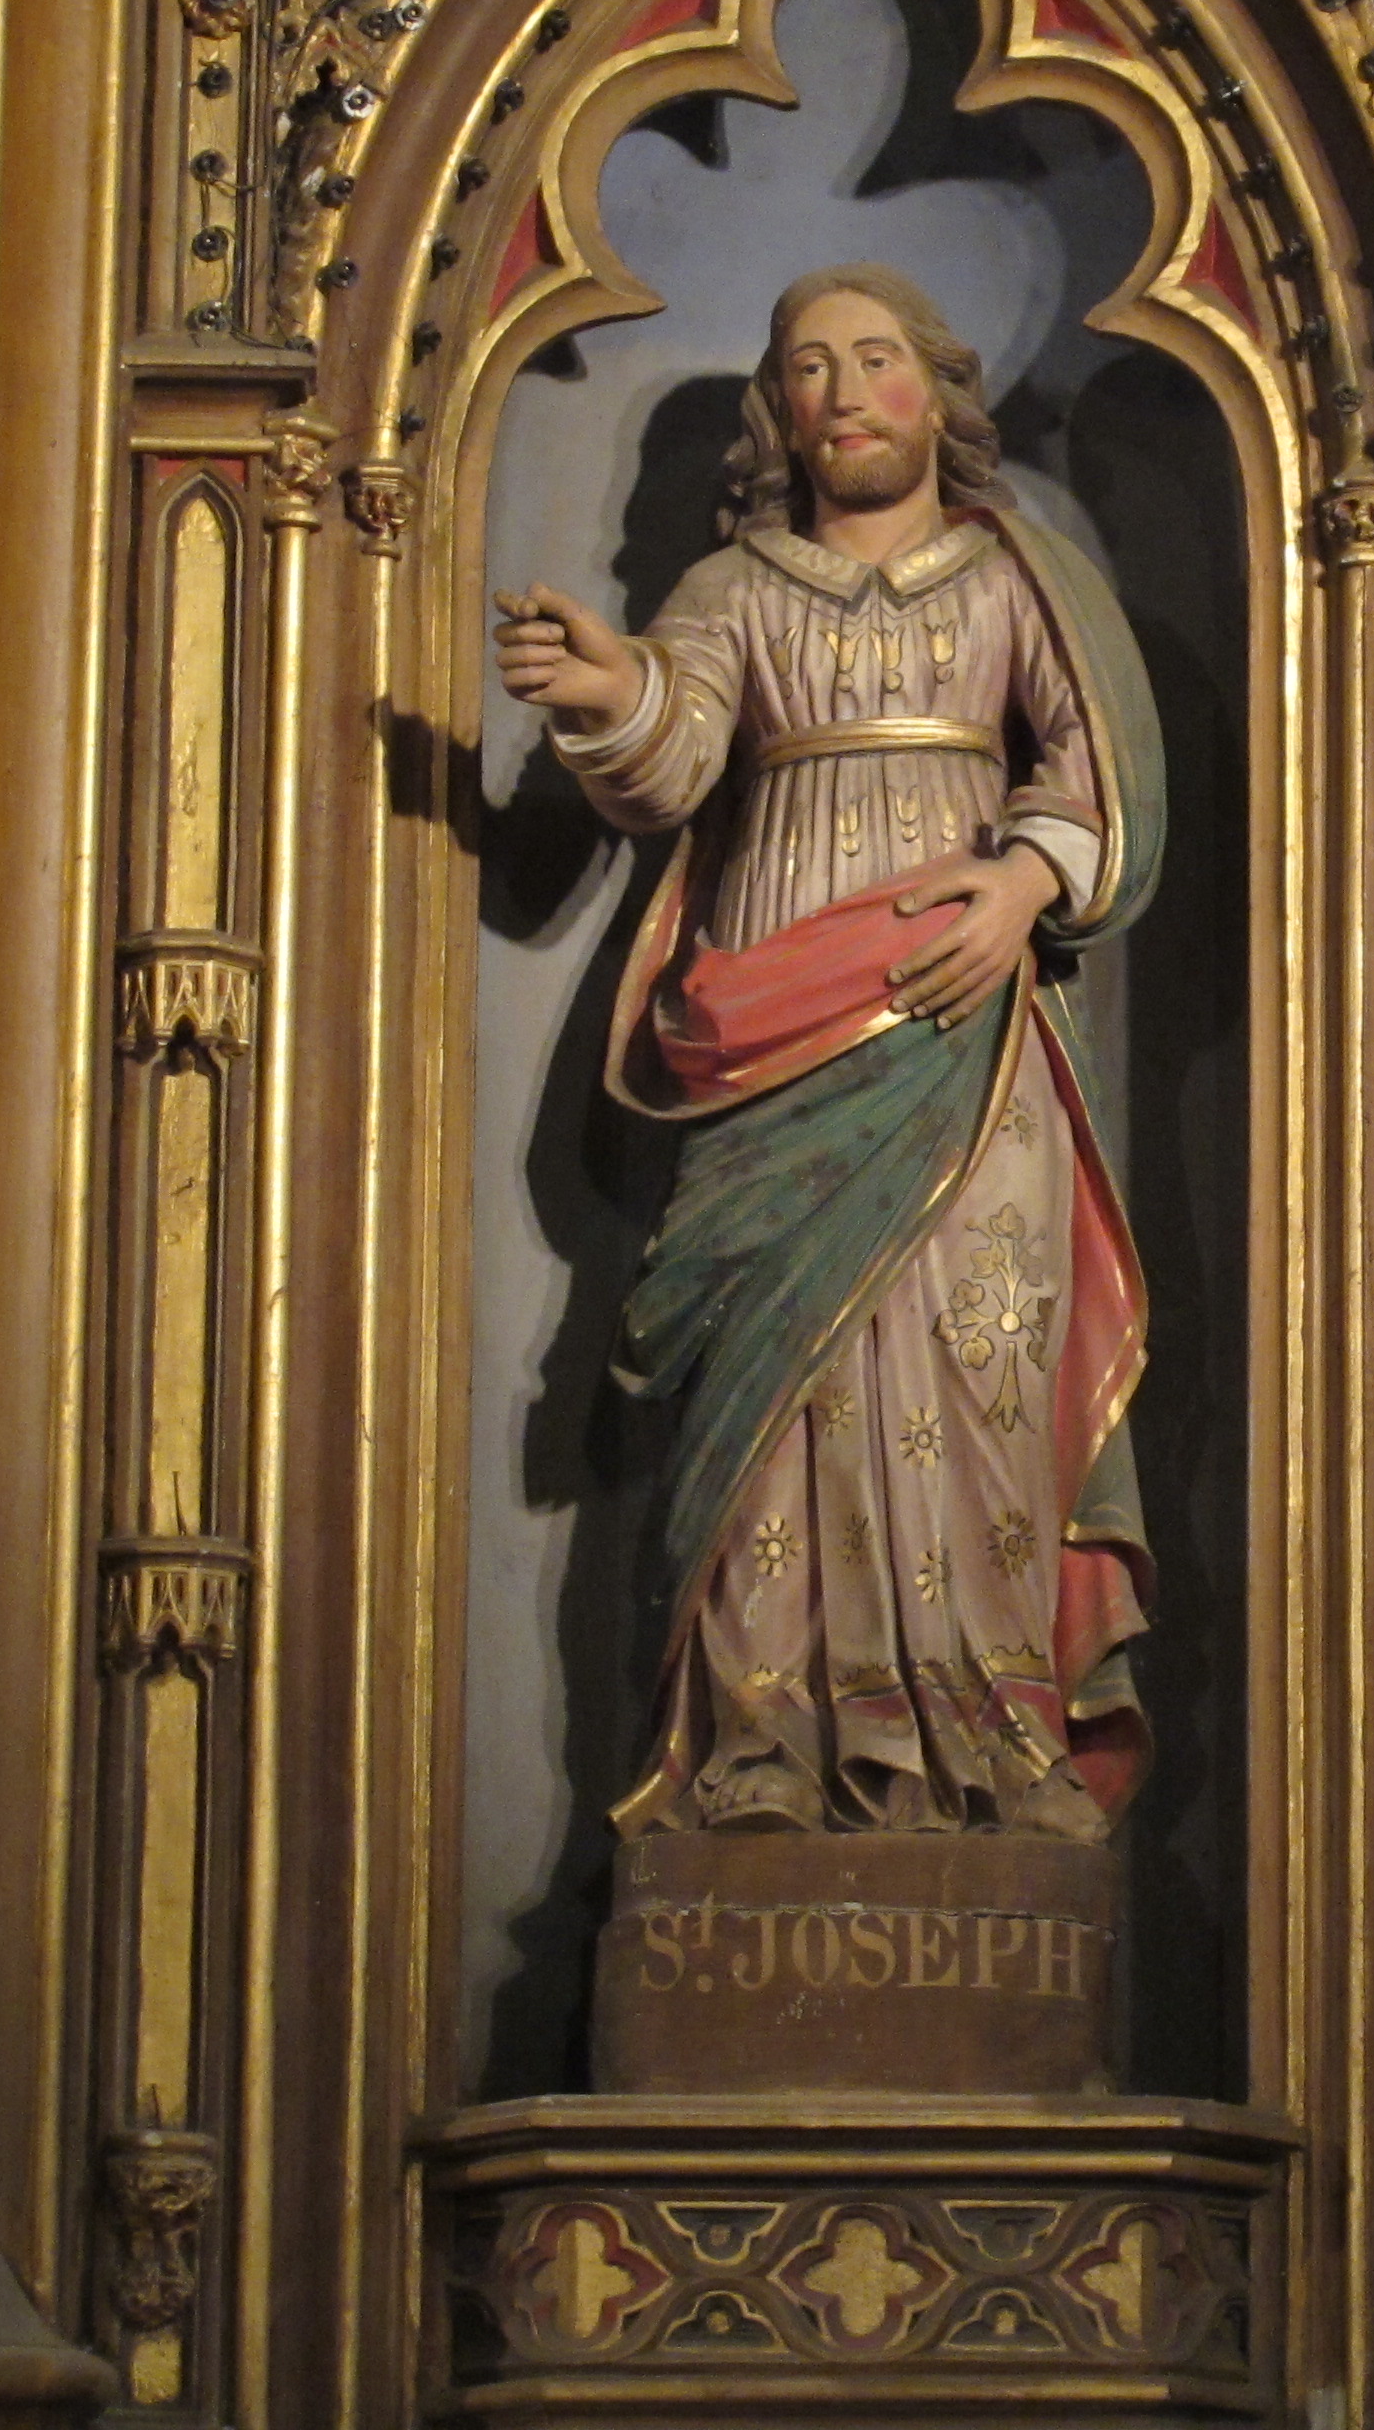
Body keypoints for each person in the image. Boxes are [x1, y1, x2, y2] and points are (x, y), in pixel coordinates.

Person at [492, 261, 1166, 1841]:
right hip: (775, 1031)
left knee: (976, 1369)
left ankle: (992, 1738)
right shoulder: (734, 591)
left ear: (937, 390)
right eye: (808, 368)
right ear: (778, 415)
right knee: (776, 1387)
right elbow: (677, 749)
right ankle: (765, 1741)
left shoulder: (1014, 577)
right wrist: (611, 690)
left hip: (963, 1032)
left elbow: (1102, 764)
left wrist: (1022, 881)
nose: (844, 392)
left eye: (874, 359)